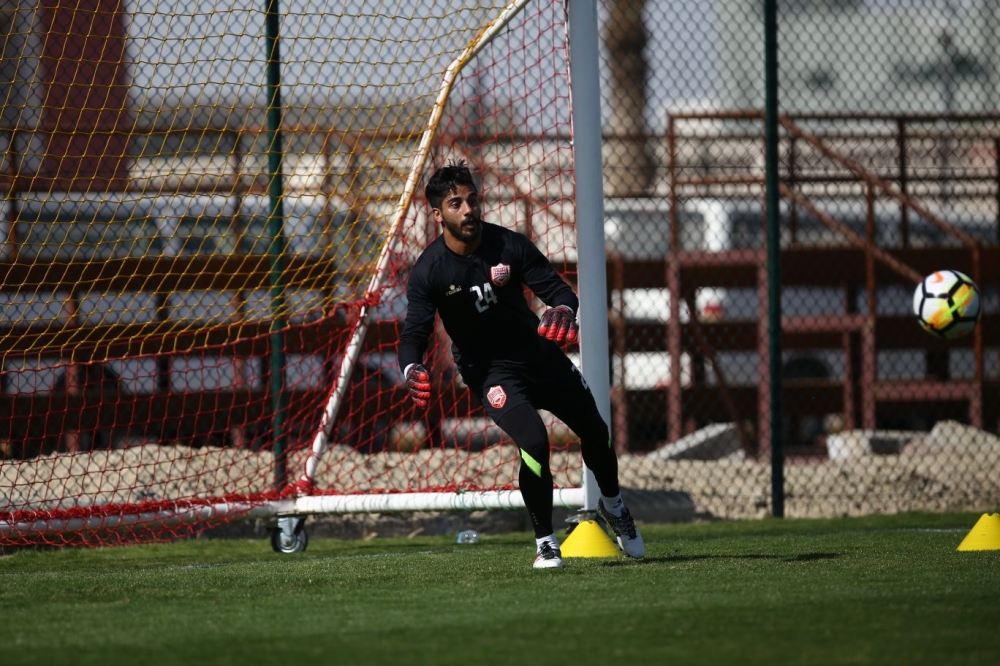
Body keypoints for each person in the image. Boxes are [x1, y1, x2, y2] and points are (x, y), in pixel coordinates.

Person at [397, 159, 644, 569]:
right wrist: (410, 369)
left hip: (539, 357)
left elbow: (558, 292)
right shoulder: (429, 271)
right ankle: (546, 542)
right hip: (491, 372)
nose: (469, 209)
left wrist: (564, 310)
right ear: (438, 214)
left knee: (596, 431)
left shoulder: (509, 245)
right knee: (534, 443)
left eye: (472, 199)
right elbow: (413, 333)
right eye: (456, 203)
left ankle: (615, 507)